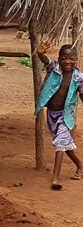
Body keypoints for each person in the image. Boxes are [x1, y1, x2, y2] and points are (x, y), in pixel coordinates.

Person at [36, 42, 83, 190]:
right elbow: (46, 60)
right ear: (59, 59)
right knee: (64, 145)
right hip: (52, 115)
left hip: (66, 115)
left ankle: (55, 179)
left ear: (76, 59)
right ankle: (81, 166)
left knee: (61, 144)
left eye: (71, 58)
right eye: (64, 58)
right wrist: (40, 54)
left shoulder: (78, 77)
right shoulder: (54, 68)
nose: (67, 61)